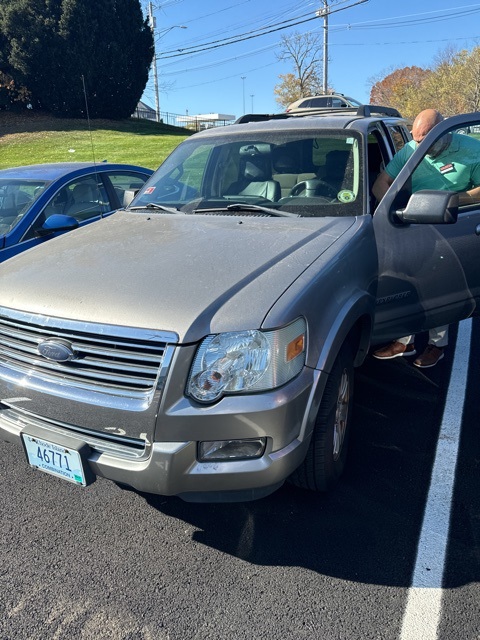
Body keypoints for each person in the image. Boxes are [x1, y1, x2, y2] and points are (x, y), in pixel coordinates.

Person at [372, 108, 480, 368]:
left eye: (426, 140)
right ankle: (404, 341)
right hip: (410, 222)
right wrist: (395, 207)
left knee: (438, 285)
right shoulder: (411, 149)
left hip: (448, 223)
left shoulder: (473, 150)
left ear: (443, 132)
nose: (420, 146)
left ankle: (436, 345)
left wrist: (453, 200)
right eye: (417, 139)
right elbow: (380, 184)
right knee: (407, 281)